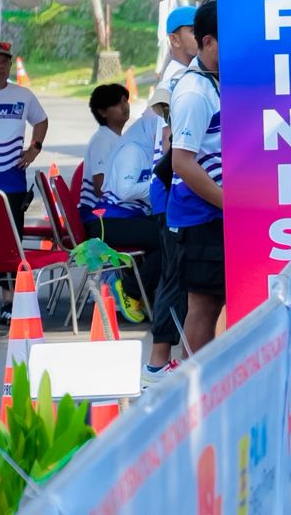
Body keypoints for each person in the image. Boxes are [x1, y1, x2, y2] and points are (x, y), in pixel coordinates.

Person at [103, 87, 175, 373]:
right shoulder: (133, 149)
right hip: (113, 221)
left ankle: (139, 287)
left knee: (165, 236)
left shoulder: (144, 146)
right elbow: (124, 190)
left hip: (129, 217)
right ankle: (129, 287)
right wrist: (159, 186)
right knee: (163, 239)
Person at [169, 0, 224, 354]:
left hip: (217, 209)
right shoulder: (193, 91)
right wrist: (231, 204)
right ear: (207, 42)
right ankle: (194, 382)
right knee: (203, 305)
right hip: (202, 213)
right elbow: (182, 162)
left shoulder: (219, 79)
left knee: (217, 303)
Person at [0, 40, 47, 324]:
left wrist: (34, 149)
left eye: (5, 61)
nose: (0, 66)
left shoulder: (23, 95)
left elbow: (41, 121)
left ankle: (9, 302)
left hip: (12, 179)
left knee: (9, 242)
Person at [79, 83, 132, 228]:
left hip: (113, 211)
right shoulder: (102, 140)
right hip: (98, 215)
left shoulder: (117, 139)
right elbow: (101, 188)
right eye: (116, 103)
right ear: (102, 112)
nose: (124, 106)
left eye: (125, 100)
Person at [157, 5, 199, 94]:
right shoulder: (178, 80)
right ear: (174, 40)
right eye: (194, 31)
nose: (202, 36)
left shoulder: (191, 72)